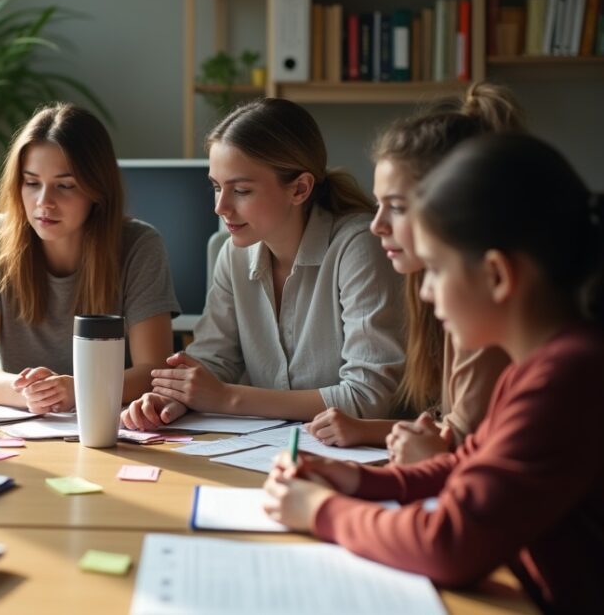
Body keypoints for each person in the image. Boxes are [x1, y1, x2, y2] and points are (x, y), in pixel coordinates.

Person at [263, 133, 604, 613]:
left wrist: (320, 510)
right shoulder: (537, 369)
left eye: (438, 270)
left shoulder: (568, 378)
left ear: (497, 276)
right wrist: (354, 481)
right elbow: (465, 464)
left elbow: (450, 544)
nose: (426, 293)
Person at [123, 98, 404, 429]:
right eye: (216, 187)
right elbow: (214, 360)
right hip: (267, 451)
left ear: (299, 188)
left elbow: (368, 397)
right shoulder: (234, 253)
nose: (220, 207)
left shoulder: (358, 247)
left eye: (241, 190)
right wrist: (173, 396)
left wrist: (227, 398)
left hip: (369, 458)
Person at [307, 84, 518, 459]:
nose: (377, 225)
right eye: (378, 205)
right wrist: (366, 432)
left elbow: (463, 450)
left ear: (451, 204)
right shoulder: (436, 289)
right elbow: (453, 430)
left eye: (397, 207)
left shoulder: (482, 306)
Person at [0, 103, 180, 413]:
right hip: (21, 425)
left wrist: (78, 390)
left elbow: (153, 372)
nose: (44, 202)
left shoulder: (139, 245)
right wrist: (31, 394)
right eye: (32, 183)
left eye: (65, 186)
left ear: (97, 189)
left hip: (113, 425)